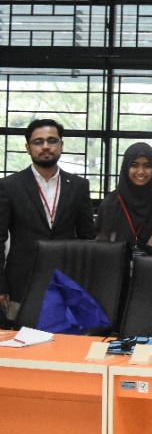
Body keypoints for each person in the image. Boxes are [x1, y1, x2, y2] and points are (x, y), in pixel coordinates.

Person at [0, 118, 95, 319]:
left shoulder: (78, 186)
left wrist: (85, 284)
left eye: (52, 141)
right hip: (21, 285)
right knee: (19, 338)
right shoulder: (9, 186)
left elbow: (87, 239)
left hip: (66, 284)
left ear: (61, 145)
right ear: (28, 148)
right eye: (38, 142)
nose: (45, 146)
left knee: (64, 338)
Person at [95, 142, 152, 254]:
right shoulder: (110, 204)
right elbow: (100, 248)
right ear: (126, 167)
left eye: (147, 166)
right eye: (134, 165)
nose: (141, 172)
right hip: (116, 264)